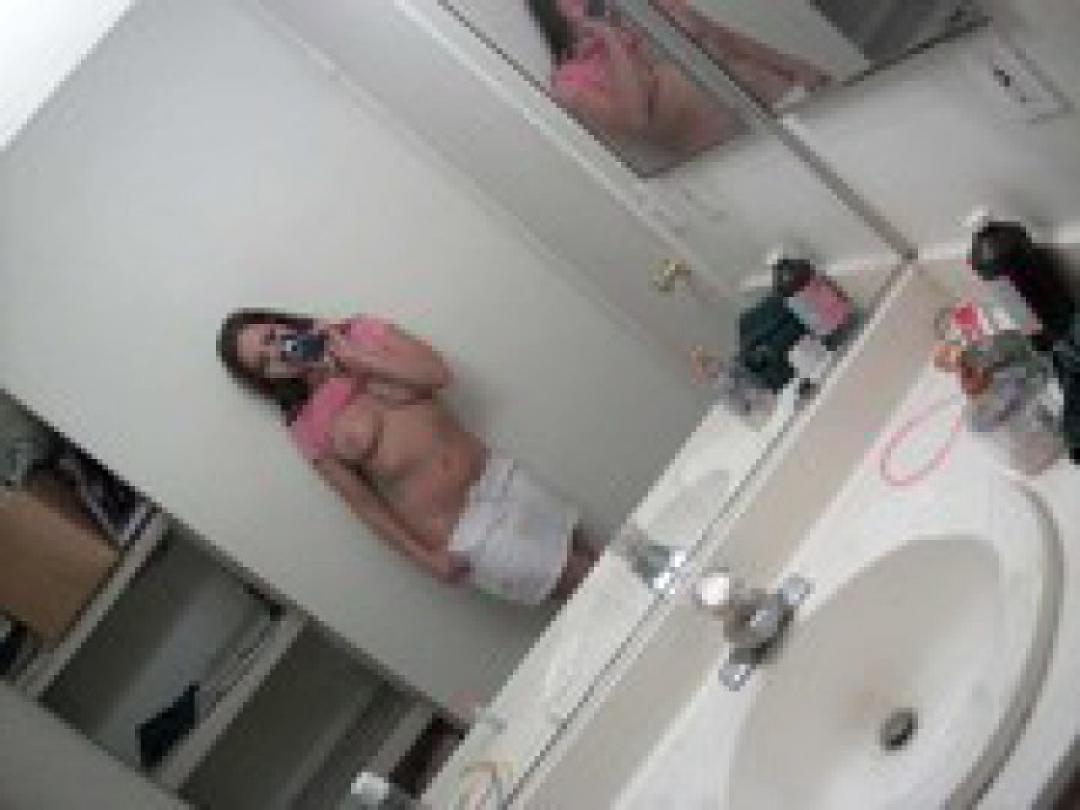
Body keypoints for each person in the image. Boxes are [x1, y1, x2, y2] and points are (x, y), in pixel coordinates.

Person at [217, 309, 597, 605]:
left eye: (271, 337)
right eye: (264, 363)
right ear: (267, 379)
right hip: (462, 529)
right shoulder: (306, 424)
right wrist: (428, 561)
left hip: (501, 478)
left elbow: (437, 374)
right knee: (590, 587)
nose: (277, 353)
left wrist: (355, 359)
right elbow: (365, 507)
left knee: (604, 567)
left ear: (283, 323)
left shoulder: (362, 332)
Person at [526, 0, 827, 156]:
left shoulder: (651, 8)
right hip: (736, 154)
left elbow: (727, 40)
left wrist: (797, 66)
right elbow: (635, 119)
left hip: (788, 98)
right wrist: (608, 36)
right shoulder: (571, 83)